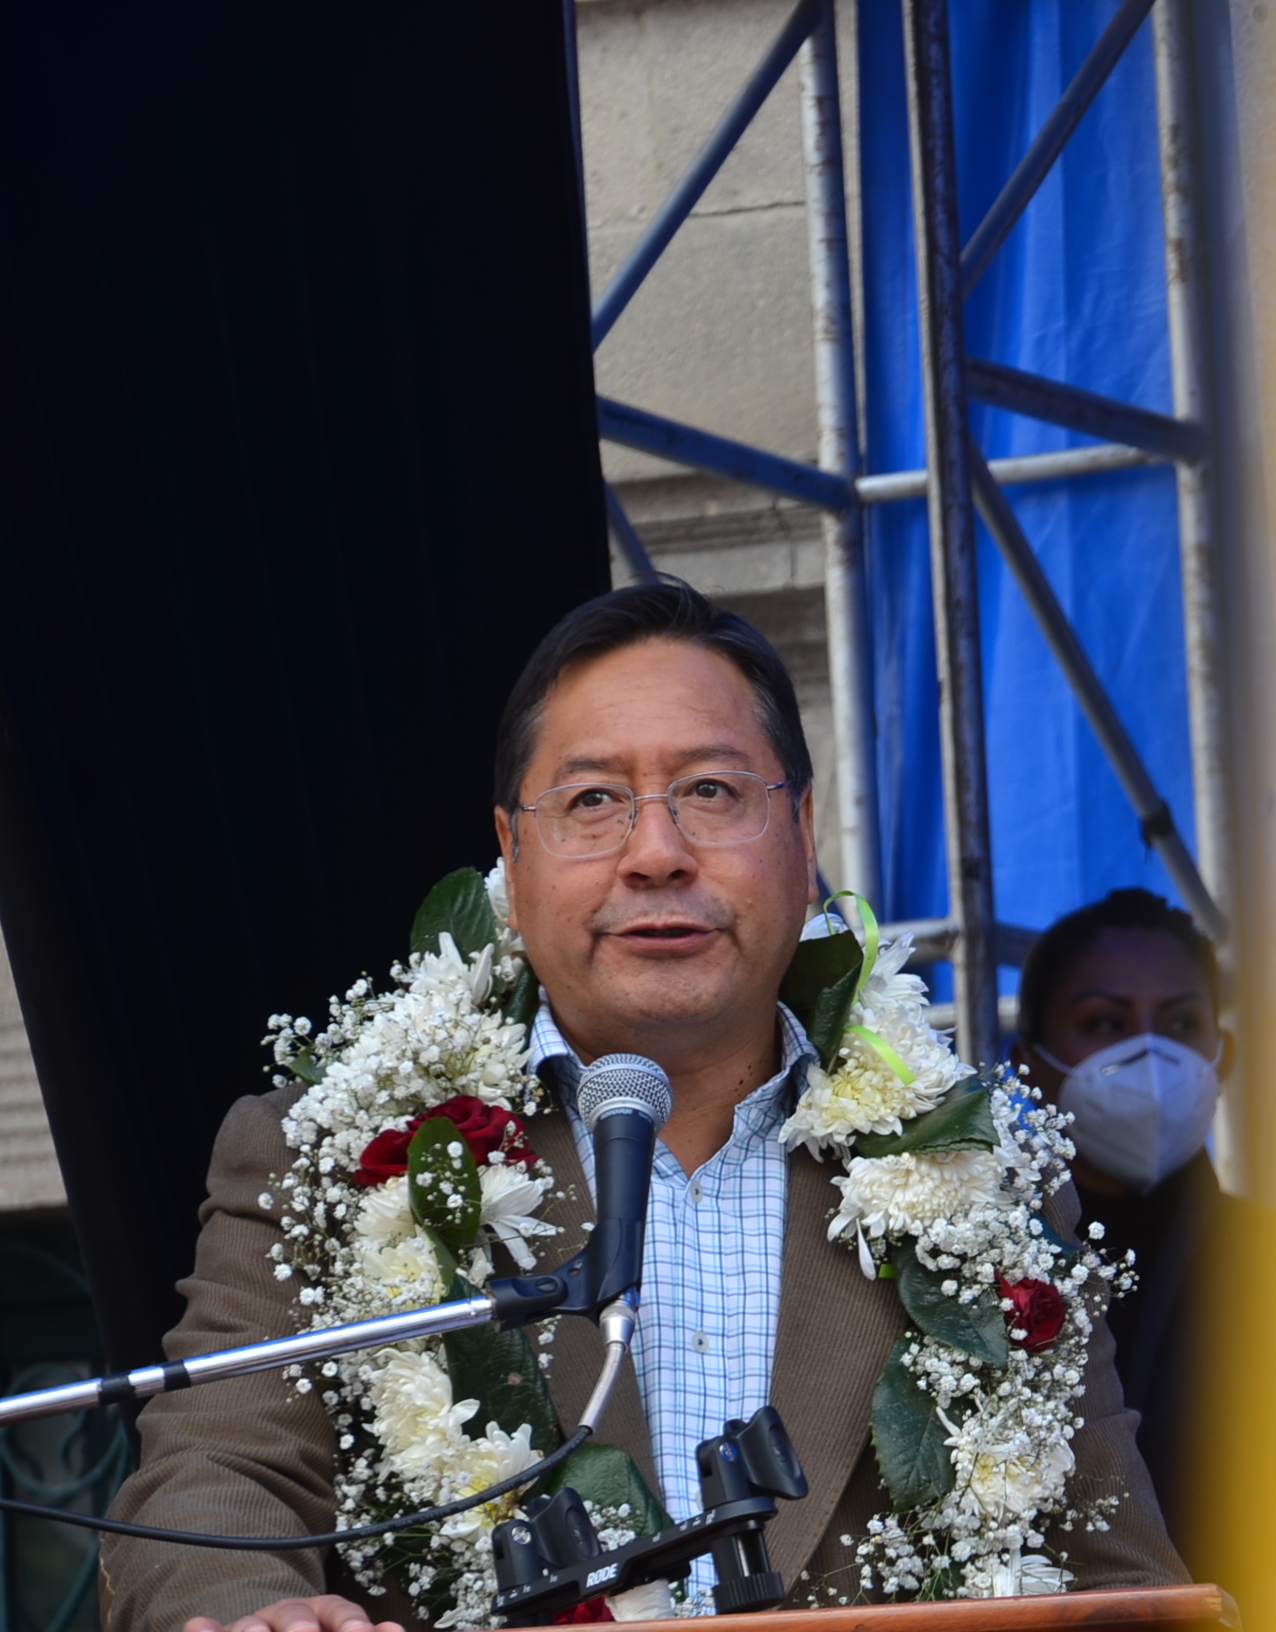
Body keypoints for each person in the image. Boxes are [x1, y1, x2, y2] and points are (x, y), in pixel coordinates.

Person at [102, 581, 1183, 1632]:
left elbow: (1118, 1578)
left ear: (803, 833)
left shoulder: (978, 1183)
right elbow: (217, 1473)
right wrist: (257, 1615)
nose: (657, 854)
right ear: (510, 855)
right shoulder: (330, 1156)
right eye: (592, 801)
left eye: (711, 792)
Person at [1010, 891, 1276, 1632]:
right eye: (1106, 1023)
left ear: (1223, 1056)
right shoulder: (978, 1270)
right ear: (1027, 1063)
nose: (1151, 1055)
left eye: (1181, 1023)